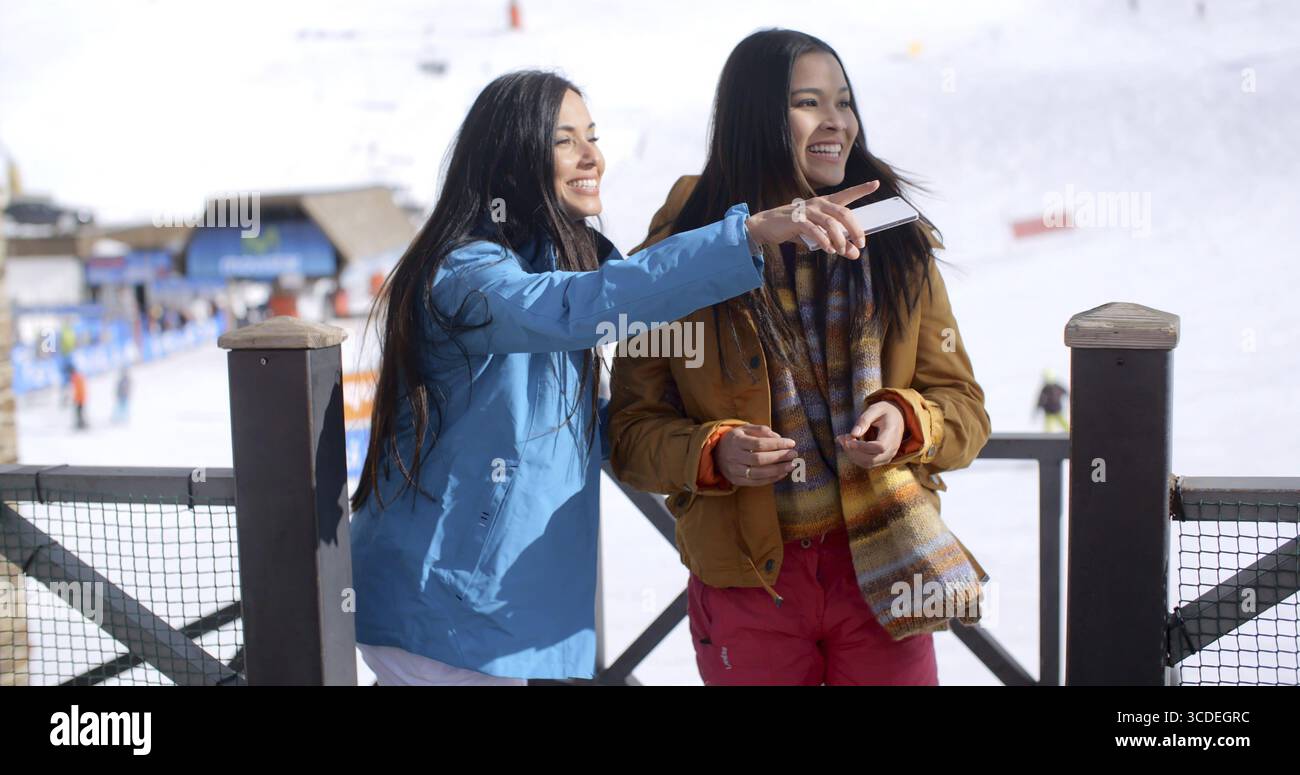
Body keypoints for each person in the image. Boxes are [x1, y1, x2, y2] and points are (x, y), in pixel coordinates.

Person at [348, 69, 873, 685]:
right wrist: (748, 235)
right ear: (511, 157)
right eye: (565, 140)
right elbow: (580, 308)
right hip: (442, 610)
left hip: (495, 618)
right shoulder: (469, 274)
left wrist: (702, 444)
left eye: (592, 136)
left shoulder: (549, 262)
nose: (591, 155)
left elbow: (573, 421)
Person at [608, 30, 992, 686]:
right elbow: (630, 433)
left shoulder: (895, 239)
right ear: (754, 115)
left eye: (844, 101)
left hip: (885, 565)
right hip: (750, 579)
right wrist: (711, 451)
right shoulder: (682, 250)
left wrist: (908, 420)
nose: (836, 121)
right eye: (809, 102)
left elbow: (966, 411)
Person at [1035, 368, 1069, 432]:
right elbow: (1040, 400)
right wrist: (1036, 410)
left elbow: (1066, 393)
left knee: (1063, 424)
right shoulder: (1045, 389)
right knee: (1048, 427)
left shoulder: (1057, 386)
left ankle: (1069, 433)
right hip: (1049, 411)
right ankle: (1048, 437)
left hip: (1057, 410)